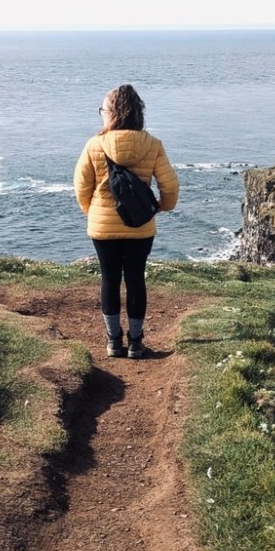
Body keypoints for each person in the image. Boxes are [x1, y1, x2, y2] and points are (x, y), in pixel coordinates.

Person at [73, 84, 179, 359]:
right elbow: (170, 185)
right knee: (135, 279)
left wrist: (94, 213)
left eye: (103, 110)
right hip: (140, 226)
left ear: (113, 113)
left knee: (109, 278)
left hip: (102, 225)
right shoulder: (153, 145)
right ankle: (135, 342)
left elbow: (81, 187)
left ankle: (112, 341)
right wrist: (163, 207)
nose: (102, 115)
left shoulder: (94, 145)